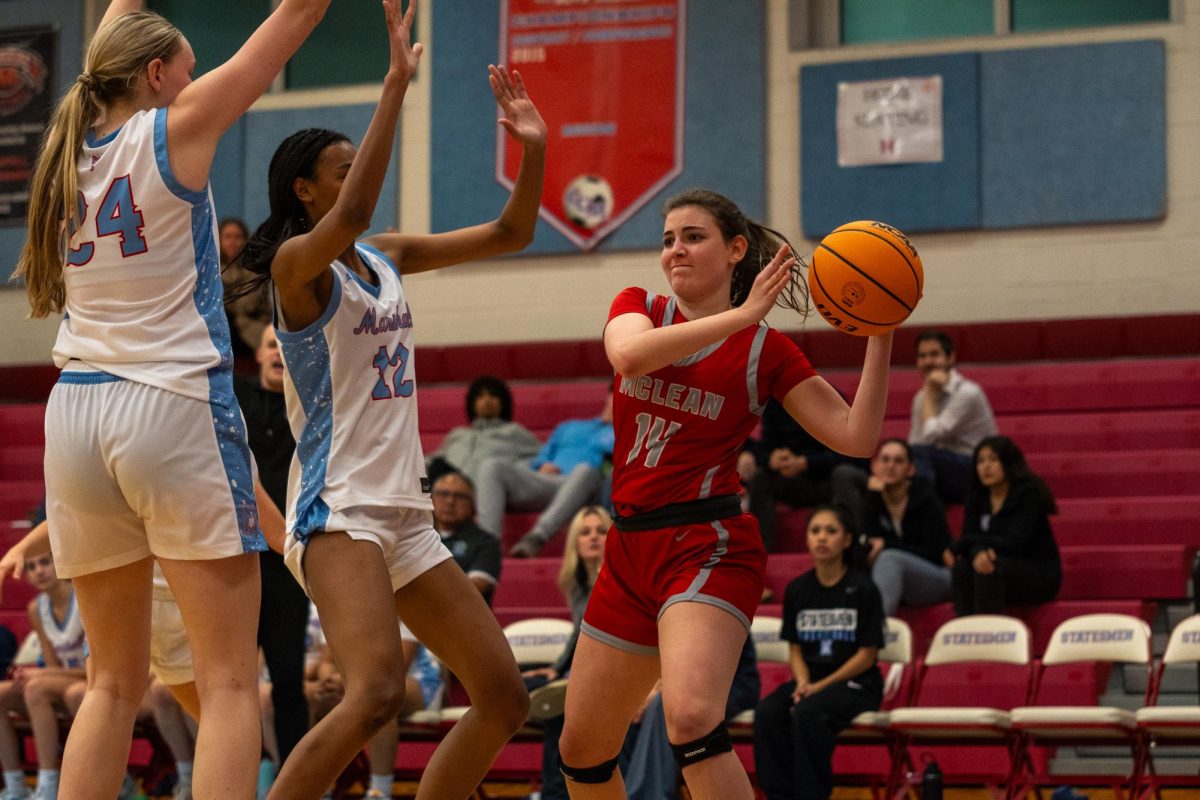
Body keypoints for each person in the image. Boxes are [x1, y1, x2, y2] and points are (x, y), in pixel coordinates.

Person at [14, 0, 329, 793]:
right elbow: (297, 15)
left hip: (77, 409)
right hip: (169, 405)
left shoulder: (66, 146)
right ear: (156, 75)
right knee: (227, 682)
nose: (195, 83)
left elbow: (118, 22)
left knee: (111, 682)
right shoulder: (171, 130)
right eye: (187, 70)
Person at [236, 3, 546, 791]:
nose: (352, 180)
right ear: (305, 191)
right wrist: (396, 86)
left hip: (403, 508)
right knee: (374, 693)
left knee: (505, 698)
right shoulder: (296, 272)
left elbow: (512, 235)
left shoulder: (388, 256)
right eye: (339, 169)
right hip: (337, 508)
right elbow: (356, 212)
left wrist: (534, 153)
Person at [557, 188, 893, 799]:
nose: (675, 250)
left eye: (692, 236)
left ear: (736, 250)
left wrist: (881, 332)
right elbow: (628, 357)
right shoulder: (640, 307)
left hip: (706, 547)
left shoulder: (766, 351)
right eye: (667, 239)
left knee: (689, 720)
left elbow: (857, 436)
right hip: (629, 549)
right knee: (581, 751)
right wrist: (740, 315)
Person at [753, 505, 885, 800]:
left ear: (847, 540)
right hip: (810, 682)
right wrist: (802, 683)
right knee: (767, 713)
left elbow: (867, 656)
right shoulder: (798, 589)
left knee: (807, 713)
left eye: (831, 531)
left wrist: (818, 688)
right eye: (815, 531)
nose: (822, 538)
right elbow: (795, 649)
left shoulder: (863, 589)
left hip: (857, 684)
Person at [234, 324, 311, 771]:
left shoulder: (308, 406)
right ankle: (242, 776)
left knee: (287, 681)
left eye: (286, 347)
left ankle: (298, 778)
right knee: (233, 683)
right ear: (258, 355)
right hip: (238, 557)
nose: (278, 352)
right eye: (270, 345)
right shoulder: (233, 398)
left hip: (287, 563)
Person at [521, 506, 611, 800]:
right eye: (585, 533)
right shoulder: (578, 584)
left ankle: (554, 794)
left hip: (608, 675)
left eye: (601, 531)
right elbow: (579, 634)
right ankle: (554, 792)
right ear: (575, 542)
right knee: (524, 686)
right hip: (578, 674)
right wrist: (556, 669)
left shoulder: (615, 580)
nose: (594, 538)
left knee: (561, 706)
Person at [0, 547, 86, 800]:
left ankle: (48, 785)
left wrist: (39, 675)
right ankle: (15, 784)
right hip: (62, 681)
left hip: (93, 679)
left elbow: (100, 669)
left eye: (45, 562)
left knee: (35, 687)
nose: (39, 571)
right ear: (25, 575)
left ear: (59, 564)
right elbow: (52, 664)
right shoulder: (36, 608)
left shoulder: (83, 598)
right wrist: (39, 674)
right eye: (31, 566)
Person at [482, 392, 613, 556]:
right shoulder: (570, 427)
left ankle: (536, 538)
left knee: (585, 469)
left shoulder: (628, 433)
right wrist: (542, 465)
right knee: (492, 466)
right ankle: (487, 545)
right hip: (548, 481)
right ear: (609, 396)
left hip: (587, 486)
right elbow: (542, 455)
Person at [950, 435, 1061, 616]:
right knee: (963, 568)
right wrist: (977, 550)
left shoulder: (1028, 495)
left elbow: (1015, 543)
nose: (986, 466)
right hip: (998, 568)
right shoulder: (977, 497)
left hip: (1037, 573)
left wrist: (970, 543)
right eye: (980, 461)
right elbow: (969, 539)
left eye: (993, 459)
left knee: (989, 567)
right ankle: (964, 631)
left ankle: (988, 636)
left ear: (1008, 463)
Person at [740, 397, 867, 552]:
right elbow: (768, 446)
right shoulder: (775, 404)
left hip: (833, 481)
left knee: (843, 474)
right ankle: (759, 550)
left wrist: (806, 463)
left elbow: (855, 454)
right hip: (797, 481)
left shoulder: (830, 397)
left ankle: (854, 549)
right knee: (762, 476)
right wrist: (772, 459)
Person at [861, 438, 953, 617]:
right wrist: (872, 497)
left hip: (937, 576)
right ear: (875, 466)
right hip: (894, 581)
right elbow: (868, 545)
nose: (890, 466)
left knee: (889, 559)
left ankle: (875, 635)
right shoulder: (873, 499)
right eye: (885, 460)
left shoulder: (926, 499)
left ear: (910, 469)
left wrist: (888, 545)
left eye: (898, 461)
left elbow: (937, 553)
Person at [909, 331, 998, 504]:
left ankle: (923, 511)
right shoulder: (920, 398)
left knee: (920, 455)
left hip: (976, 469)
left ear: (950, 358)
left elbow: (930, 436)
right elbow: (915, 442)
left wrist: (928, 392)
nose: (928, 361)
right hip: (942, 470)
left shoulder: (968, 393)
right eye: (922, 356)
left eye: (934, 354)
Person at [428, 375, 542, 485]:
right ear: (472, 404)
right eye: (480, 396)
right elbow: (433, 459)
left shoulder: (514, 432)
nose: (487, 400)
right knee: (434, 466)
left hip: (484, 488)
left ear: (503, 403)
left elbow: (543, 457)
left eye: (493, 396)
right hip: (446, 484)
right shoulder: (458, 434)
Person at [431, 472, 502, 603]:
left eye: (459, 496)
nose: (450, 501)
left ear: (472, 504)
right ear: (431, 499)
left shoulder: (485, 542)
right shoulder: (418, 537)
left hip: (461, 618)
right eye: (443, 494)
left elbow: (473, 589)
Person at [219, 217, 272, 355]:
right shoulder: (212, 271)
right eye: (227, 237)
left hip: (251, 325)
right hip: (224, 327)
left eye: (238, 237)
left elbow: (245, 306)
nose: (232, 242)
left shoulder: (255, 271)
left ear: (245, 240)